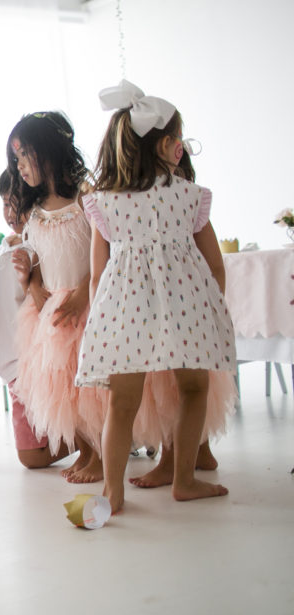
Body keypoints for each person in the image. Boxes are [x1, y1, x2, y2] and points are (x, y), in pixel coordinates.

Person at [77, 80, 235, 513]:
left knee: (121, 403)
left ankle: (113, 493)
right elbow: (215, 263)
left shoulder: (103, 201)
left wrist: (101, 321)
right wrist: (211, 305)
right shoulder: (190, 196)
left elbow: (96, 274)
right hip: (187, 305)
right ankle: (184, 479)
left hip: (124, 307)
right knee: (194, 387)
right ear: (169, 145)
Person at [6, 111, 106, 483]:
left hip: (87, 301)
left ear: (46, 152)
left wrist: (82, 294)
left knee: (90, 387)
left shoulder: (86, 198)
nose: (19, 167)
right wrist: (33, 288)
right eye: (15, 160)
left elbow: (104, 253)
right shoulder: (33, 212)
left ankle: (99, 452)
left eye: (23, 157)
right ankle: (84, 446)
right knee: (60, 386)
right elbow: (36, 263)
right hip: (50, 309)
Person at [0, 170, 72, 469]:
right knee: (30, 455)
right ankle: (95, 440)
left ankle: (96, 440)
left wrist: (31, 278)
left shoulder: (39, 248)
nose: (12, 212)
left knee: (30, 457)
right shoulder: (4, 248)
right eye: (5, 203)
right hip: (11, 366)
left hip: (33, 364)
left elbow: (46, 300)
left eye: (20, 204)